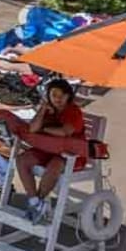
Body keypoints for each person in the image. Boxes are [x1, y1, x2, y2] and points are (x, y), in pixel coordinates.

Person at [15, 79, 85, 224]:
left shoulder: (73, 111)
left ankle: (39, 203)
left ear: (68, 96)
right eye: (54, 95)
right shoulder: (49, 110)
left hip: (70, 154)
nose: (57, 99)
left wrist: (43, 128)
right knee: (22, 160)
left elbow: (64, 132)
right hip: (48, 149)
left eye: (61, 95)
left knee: (55, 165)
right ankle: (35, 202)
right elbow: (32, 129)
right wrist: (42, 110)